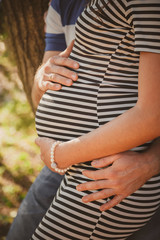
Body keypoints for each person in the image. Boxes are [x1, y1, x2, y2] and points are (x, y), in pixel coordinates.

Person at [6, 0, 160, 239]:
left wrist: (153, 160)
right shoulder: (62, 4)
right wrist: (42, 76)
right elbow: (44, 92)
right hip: (65, 162)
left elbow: (152, 114)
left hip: (113, 170)